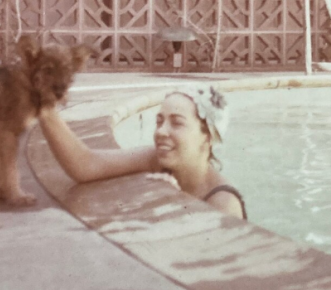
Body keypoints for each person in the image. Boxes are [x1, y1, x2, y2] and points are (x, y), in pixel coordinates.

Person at [37, 85, 247, 219]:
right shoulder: (156, 160)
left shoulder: (224, 204)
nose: (161, 131)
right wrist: (44, 109)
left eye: (176, 123)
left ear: (208, 137)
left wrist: (174, 204)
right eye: (159, 121)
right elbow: (86, 165)